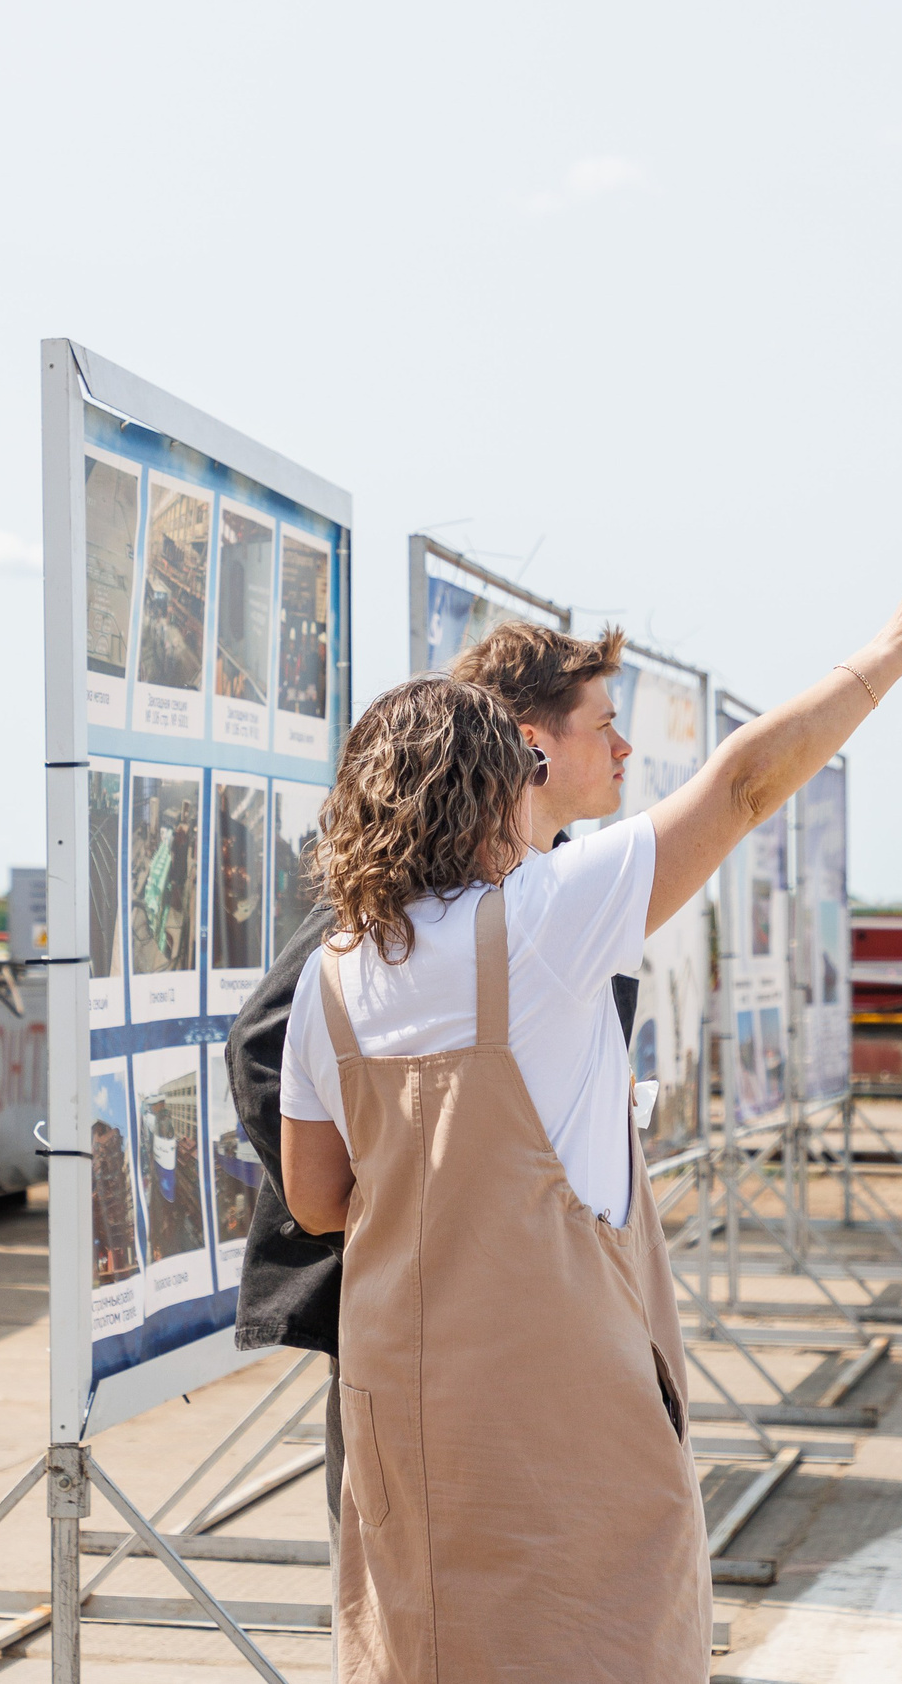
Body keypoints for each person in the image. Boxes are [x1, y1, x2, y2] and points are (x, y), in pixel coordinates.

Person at [279, 551, 902, 1681]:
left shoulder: (332, 970)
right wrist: (900, 643)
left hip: (397, 1376)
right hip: (548, 1369)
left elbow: (318, 1198)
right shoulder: (540, 917)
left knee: (422, 1636)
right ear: (496, 784)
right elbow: (743, 785)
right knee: (601, 1626)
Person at [226, 620, 642, 1528]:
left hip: (544, 1305)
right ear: (531, 745)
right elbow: (263, 1041)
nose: (625, 749)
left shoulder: (556, 883)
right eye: (605, 724)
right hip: (423, 1310)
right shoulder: (406, 905)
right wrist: (407, 1210)